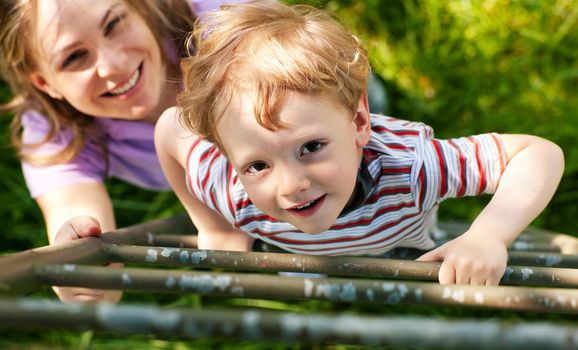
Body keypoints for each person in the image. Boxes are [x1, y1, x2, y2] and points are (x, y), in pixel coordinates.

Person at [156, 0, 564, 286]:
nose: (291, 185)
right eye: (258, 165)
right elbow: (171, 126)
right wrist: (213, 225)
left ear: (358, 121)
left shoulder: (412, 169)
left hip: (398, 239)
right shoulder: (233, 191)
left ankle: (371, 96)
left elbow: (537, 153)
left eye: (311, 147)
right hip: (313, 255)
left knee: (340, 100)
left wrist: (488, 235)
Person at [0, 0, 244, 304]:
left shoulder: (223, 25)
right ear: (44, 83)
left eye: (114, 24)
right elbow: (75, 212)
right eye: (75, 57)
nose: (113, 65)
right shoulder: (53, 128)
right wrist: (82, 267)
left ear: (140, 7)